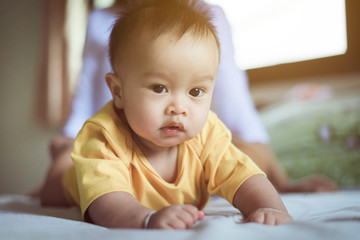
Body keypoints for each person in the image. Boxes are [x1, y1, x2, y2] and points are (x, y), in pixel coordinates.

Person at [40, 0, 293, 229]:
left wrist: (269, 207)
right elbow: (107, 202)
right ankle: (65, 157)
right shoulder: (104, 137)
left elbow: (242, 175)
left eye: (195, 91)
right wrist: (146, 218)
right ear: (117, 91)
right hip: (77, 181)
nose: (179, 107)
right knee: (55, 186)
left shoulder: (207, 134)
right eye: (159, 88)